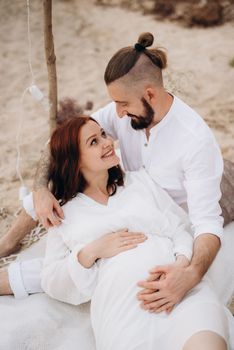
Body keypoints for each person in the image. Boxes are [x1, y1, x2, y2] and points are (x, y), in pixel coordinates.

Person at [0, 32, 233, 309]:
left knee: (90, 259)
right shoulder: (125, 109)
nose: (118, 113)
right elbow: (61, 142)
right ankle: (7, 244)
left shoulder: (194, 140)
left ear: (149, 94)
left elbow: (206, 222)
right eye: (116, 104)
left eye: (123, 104)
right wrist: (40, 188)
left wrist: (191, 274)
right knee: (68, 170)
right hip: (131, 193)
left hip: (163, 215)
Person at [41, 113, 232, 350]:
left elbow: (180, 228)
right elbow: (51, 280)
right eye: (94, 142)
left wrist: (181, 265)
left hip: (180, 291)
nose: (107, 142)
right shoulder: (64, 213)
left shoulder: (140, 182)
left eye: (103, 134)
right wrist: (91, 251)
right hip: (124, 308)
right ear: (75, 160)